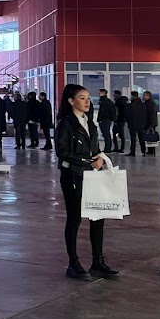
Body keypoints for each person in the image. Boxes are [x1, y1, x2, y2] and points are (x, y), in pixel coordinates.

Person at [54, 83, 119, 281]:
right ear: (71, 101)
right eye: (82, 98)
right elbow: (62, 152)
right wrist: (86, 161)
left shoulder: (89, 122)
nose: (87, 101)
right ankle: (73, 263)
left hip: (92, 175)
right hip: (73, 176)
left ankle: (97, 261)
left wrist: (100, 158)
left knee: (97, 216)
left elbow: (94, 148)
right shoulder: (66, 124)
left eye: (88, 98)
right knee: (74, 218)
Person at [123, 90, 148, 156]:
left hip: (132, 124)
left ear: (132, 96)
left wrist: (128, 122)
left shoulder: (130, 105)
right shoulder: (142, 105)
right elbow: (145, 115)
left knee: (133, 139)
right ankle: (144, 151)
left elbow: (127, 115)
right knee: (141, 138)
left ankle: (133, 151)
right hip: (140, 124)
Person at [96, 88, 116, 153]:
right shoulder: (108, 101)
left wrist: (100, 119)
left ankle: (107, 148)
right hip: (107, 119)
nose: (98, 94)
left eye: (99, 93)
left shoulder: (103, 101)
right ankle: (108, 147)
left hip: (104, 119)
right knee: (106, 134)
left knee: (106, 134)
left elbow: (103, 112)